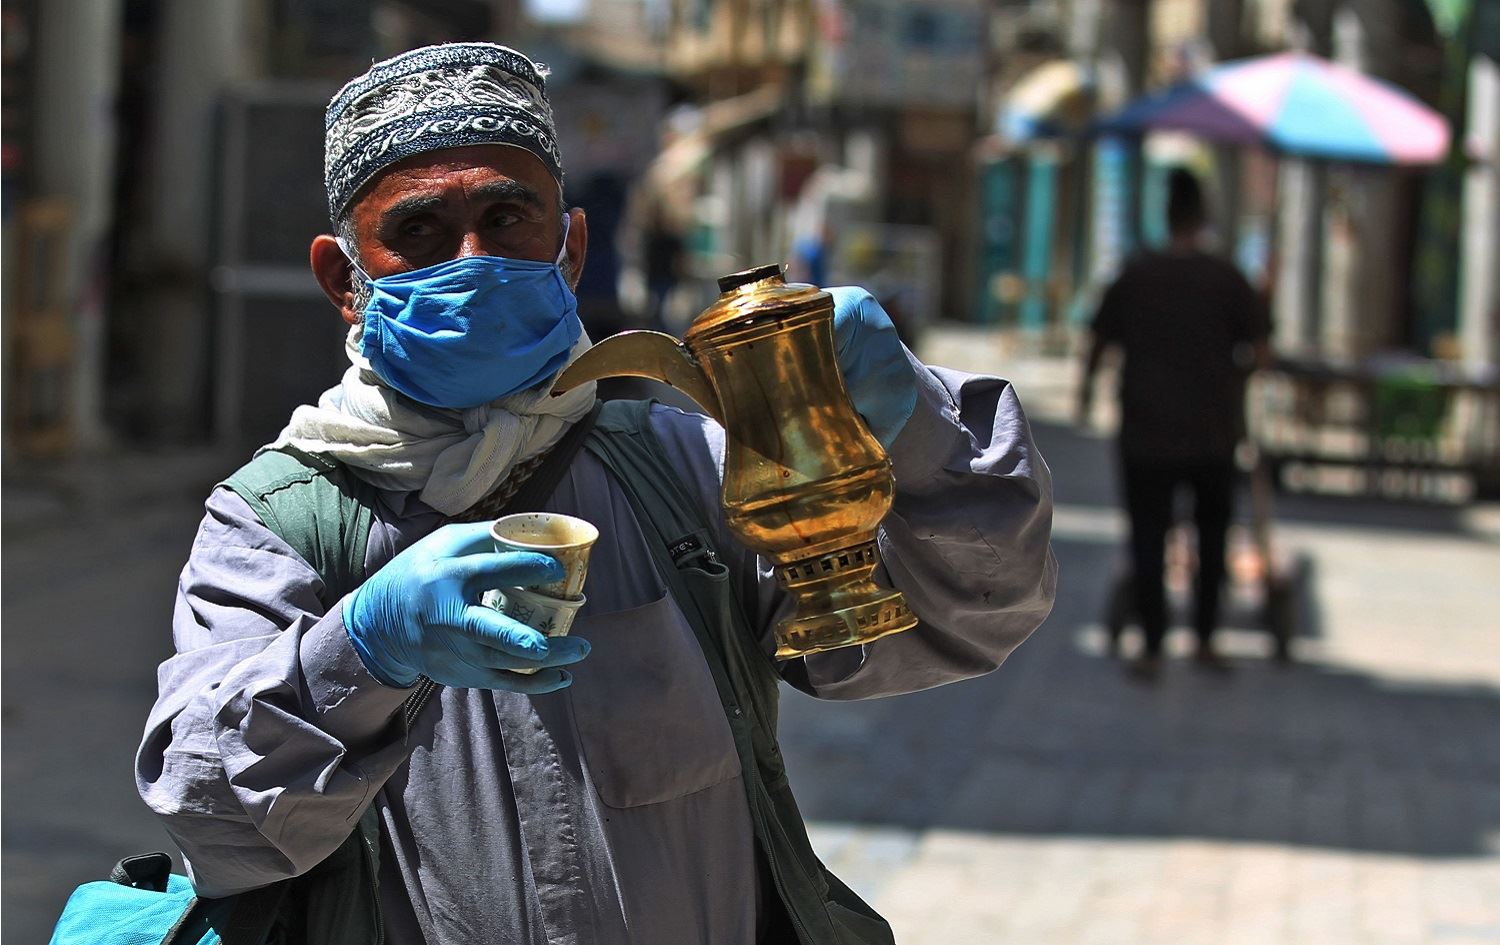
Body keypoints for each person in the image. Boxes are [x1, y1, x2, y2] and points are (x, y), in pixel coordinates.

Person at [136, 43, 1056, 944]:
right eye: (418, 232)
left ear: (570, 247)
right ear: (346, 279)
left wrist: (915, 431)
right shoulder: (275, 523)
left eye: (507, 219)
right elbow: (214, 822)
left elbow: (968, 618)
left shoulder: (681, 467)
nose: (472, 259)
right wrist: (360, 650)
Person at [1078, 167, 1269, 678]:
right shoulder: (1227, 278)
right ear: (1203, 217)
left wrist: (1082, 400)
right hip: (1213, 431)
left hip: (1146, 431)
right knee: (1212, 538)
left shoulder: (1136, 275)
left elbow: (1097, 345)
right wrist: (1233, 379)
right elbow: (1261, 350)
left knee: (1148, 538)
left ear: (1165, 216)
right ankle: (1205, 640)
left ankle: (1152, 646)